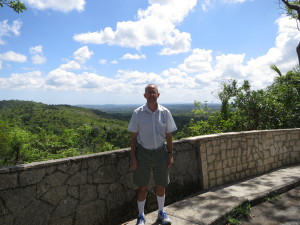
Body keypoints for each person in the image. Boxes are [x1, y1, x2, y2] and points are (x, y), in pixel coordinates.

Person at [128, 84, 177, 225]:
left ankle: (161, 213)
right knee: (142, 186)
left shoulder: (165, 112)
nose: (151, 94)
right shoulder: (138, 113)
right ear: (145, 95)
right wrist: (133, 157)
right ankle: (141, 216)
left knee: (161, 184)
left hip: (161, 152)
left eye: (153, 92)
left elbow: (169, 136)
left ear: (158, 94)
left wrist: (170, 154)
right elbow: (133, 138)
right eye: (148, 92)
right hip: (142, 153)